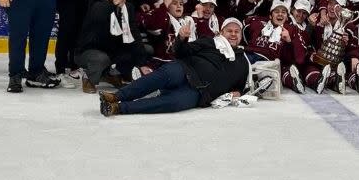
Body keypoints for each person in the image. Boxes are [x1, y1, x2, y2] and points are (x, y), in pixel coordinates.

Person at [99, 17, 251, 116]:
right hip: (184, 70)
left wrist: (238, 92)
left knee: (173, 103)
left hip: (199, 93)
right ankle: (117, 96)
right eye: (229, 31)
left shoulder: (243, 62)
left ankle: (119, 108)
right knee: (164, 74)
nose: (233, 34)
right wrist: (182, 38)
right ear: (221, 32)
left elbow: (242, 87)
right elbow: (181, 52)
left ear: (240, 36)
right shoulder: (209, 41)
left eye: (236, 32)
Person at [76, 0, 151, 93]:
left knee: (146, 50)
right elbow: (100, 13)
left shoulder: (128, 8)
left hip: (113, 52)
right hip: (90, 51)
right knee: (101, 58)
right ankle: (88, 78)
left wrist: (142, 64)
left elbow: (135, 35)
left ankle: (111, 74)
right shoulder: (96, 3)